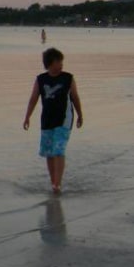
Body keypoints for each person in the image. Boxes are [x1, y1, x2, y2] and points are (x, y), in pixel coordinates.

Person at [23, 47, 84, 194]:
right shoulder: (41, 79)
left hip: (64, 119)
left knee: (58, 150)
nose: (61, 65)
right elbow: (33, 99)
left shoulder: (68, 78)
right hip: (47, 120)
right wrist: (27, 116)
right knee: (49, 152)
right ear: (50, 63)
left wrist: (80, 114)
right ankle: (53, 182)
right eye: (58, 62)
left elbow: (75, 97)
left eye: (62, 62)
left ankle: (57, 184)